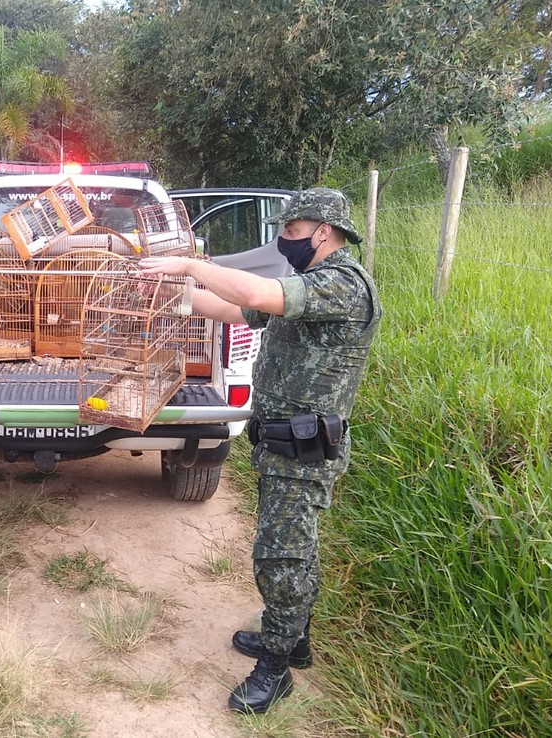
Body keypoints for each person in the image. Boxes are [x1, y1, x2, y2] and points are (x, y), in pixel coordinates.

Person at [139, 187, 381, 713]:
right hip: (283, 444)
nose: (283, 240)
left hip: (304, 450)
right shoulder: (308, 283)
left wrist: (190, 264)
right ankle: (294, 640)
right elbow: (234, 309)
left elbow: (256, 293)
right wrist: (173, 295)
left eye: (291, 231)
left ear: (323, 231)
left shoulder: (341, 284)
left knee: (280, 558)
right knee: (296, 551)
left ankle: (275, 670)